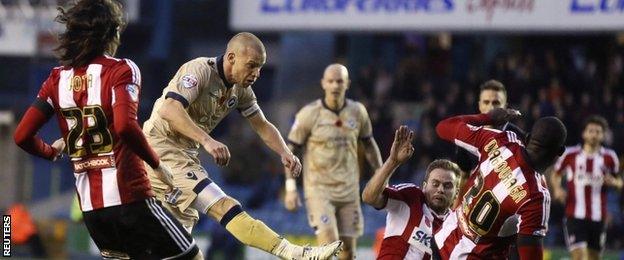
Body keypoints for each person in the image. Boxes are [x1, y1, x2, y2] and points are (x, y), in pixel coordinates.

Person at [13, 1, 200, 258]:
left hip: (92, 211)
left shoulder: (56, 79)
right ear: (111, 34)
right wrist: (157, 165)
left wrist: (51, 151)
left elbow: (21, 136)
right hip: (130, 199)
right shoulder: (122, 69)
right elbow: (124, 125)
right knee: (191, 255)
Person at [142, 32, 342, 259]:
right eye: (251, 66)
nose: (256, 73)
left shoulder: (241, 91)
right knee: (224, 206)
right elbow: (169, 109)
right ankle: (293, 252)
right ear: (231, 58)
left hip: (184, 156)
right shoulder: (199, 71)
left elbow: (263, 126)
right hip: (162, 152)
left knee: (182, 252)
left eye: (260, 67)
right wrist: (207, 140)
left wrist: (285, 152)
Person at [433, 108, 567, 259]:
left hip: (440, 243)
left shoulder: (500, 140)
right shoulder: (536, 197)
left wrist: (487, 117)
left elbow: (443, 127)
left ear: (528, 138)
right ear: (560, 152)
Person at [283, 63, 383, 259]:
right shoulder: (309, 114)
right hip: (319, 190)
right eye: (331, 81)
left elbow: (369, 144)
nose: (335, 86)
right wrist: (290, 188)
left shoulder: (358, 111)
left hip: (349, 190)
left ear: (347, 84)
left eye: (339, 81)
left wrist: (382, 175)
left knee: (348, 252)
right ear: (323, 84)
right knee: (328, 247)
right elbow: (290, 150)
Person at [362, 126, 461, 259]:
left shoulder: (455, 226)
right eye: (435, 184)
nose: (440, 189)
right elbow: (369, 197)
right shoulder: (411, 197)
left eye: (447, 186)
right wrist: (393, 162)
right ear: (424, 186)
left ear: (456, 193)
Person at [550, 115, 621, 260]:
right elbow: (555, 174)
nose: (594, 134)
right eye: (590, 131)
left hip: (598, 216)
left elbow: (619, 182)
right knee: (579, 256)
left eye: (598, 131)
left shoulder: (610, 157)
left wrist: (614, 183)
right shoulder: (570, 154)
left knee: (593, 258)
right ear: (584, 133)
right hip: (574, 214)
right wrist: (557, 189)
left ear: (603, 134)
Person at [454, 79, 509, 207]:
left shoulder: (518, 138)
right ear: (479, 106)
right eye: (486, 102)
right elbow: (463, 179)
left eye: (496, 103)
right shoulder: (466, 138)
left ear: (505, 106)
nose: (491, 107)